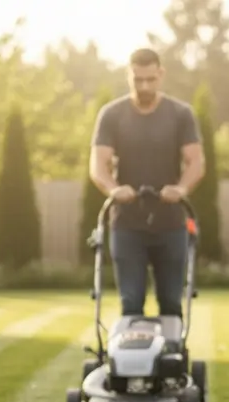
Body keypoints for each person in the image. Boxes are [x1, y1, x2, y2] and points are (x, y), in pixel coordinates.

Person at [89, 48, 205, 318]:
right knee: (130, 303)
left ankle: (171, 358)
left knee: (171, 304)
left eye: (150, 80)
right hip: (127, 225)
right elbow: (98, 164)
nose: (144, 86)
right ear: (128, 75)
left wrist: (181, 189)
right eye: (138, 80)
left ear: (160, 74)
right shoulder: (112, 115)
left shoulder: (180, 114)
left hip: (171, 225)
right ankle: (134, 360)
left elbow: (196, 161)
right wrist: (113, 189)